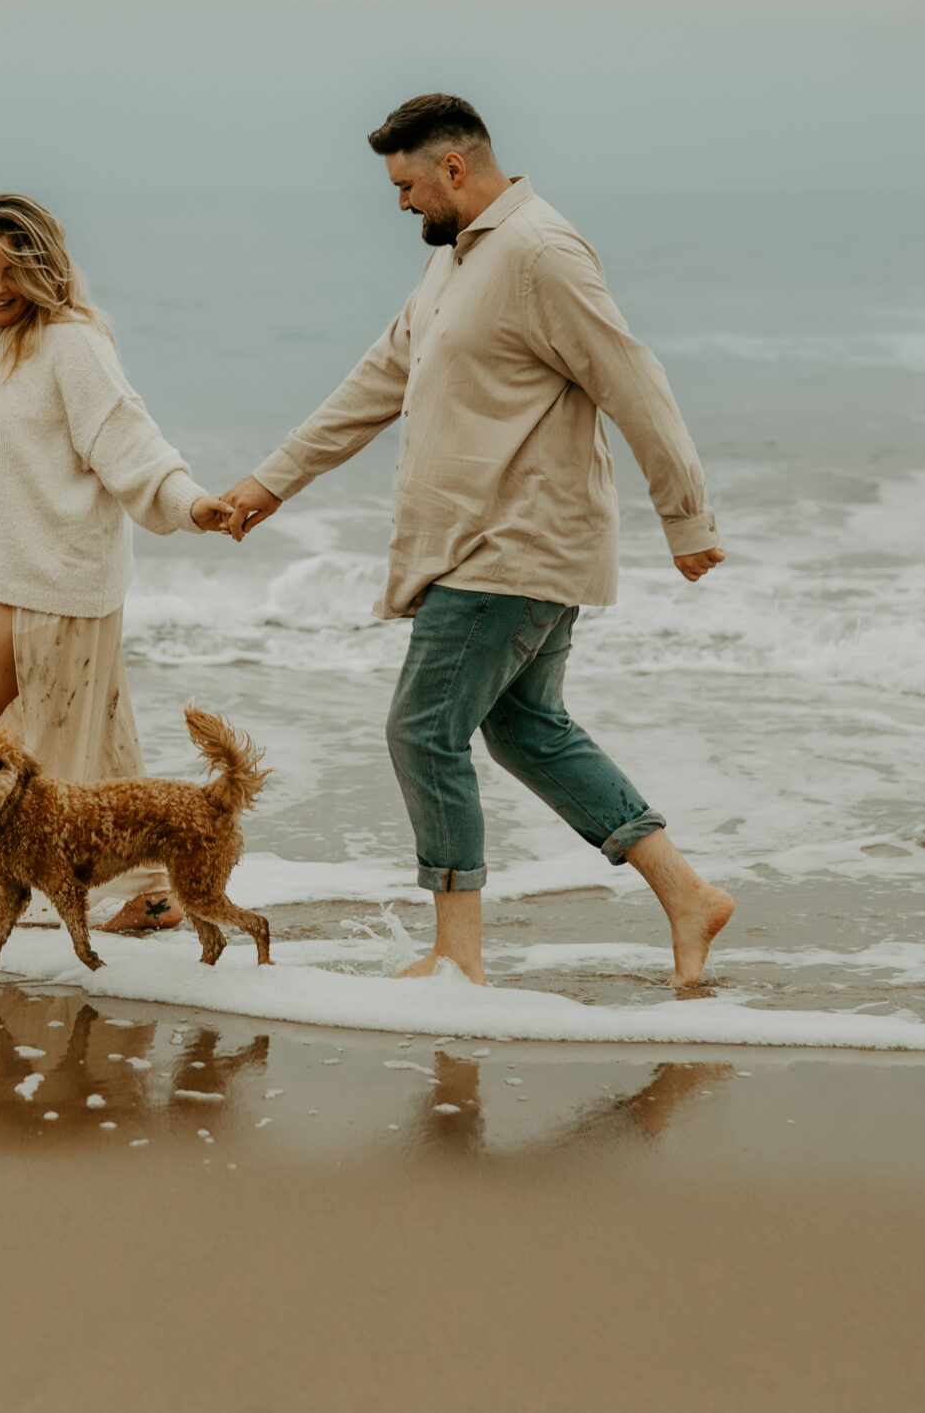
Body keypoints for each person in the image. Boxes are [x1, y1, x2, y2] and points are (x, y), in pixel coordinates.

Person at [219, 95, 735, 987]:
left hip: (512, 544)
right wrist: (272, 481)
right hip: (483, 542)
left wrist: (686, 518)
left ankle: (459, 955)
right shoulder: (456, 262)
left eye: (409, 184)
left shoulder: (540, 252)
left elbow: (633, 380)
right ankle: (688, 895)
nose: (402, 203)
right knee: (528, 730)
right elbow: (377, 379)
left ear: (455, 169)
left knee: (423, 732)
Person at [0, 193, 236, 938]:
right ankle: (151, 888)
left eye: (16, 274)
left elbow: (127, 438)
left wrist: (189, 503)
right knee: (89, 740)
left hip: (49, 568)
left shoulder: (70, 344)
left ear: (47, 273)